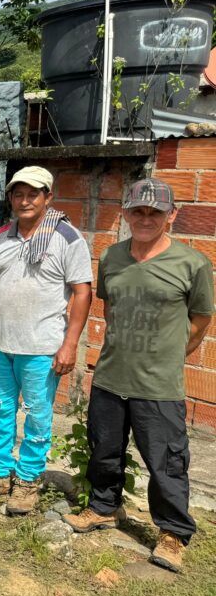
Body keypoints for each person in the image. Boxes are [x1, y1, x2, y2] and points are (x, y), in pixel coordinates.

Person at [63, 178, 213, 573]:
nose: (146, 218)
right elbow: (111, 310)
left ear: (171, 215)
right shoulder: (111, 257)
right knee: (104, 450)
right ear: (126, 213)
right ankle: (104, 507)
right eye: (138, 211)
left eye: (155, 212)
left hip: (159, 384)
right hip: (112, 376)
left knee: (166, 461)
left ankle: (173, 532)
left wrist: (170, 354)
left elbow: (200, 320)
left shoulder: (192, 263)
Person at [0, 166, 92, 515]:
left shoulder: (67, 238)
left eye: (32, 194)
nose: (24, 200)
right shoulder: (1, 236)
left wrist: (70, 343)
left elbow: (82, 292)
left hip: (41, 349)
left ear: (48, 197)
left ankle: (29, 480)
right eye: (17, 194)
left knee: (36, 416)